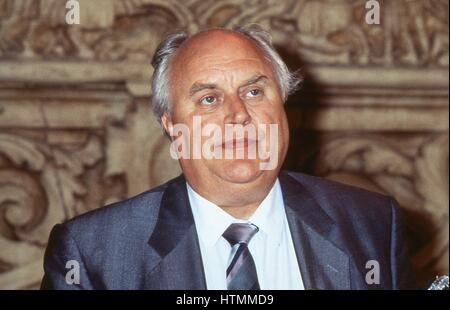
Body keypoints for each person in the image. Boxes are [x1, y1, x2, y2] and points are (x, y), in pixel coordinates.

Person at [41, 25, 417, 290]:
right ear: (172, 126)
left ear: (283, 106)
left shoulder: (373, 225)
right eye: (209, 99)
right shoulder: (94, 253)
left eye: (254, 92)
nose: (237, 114)